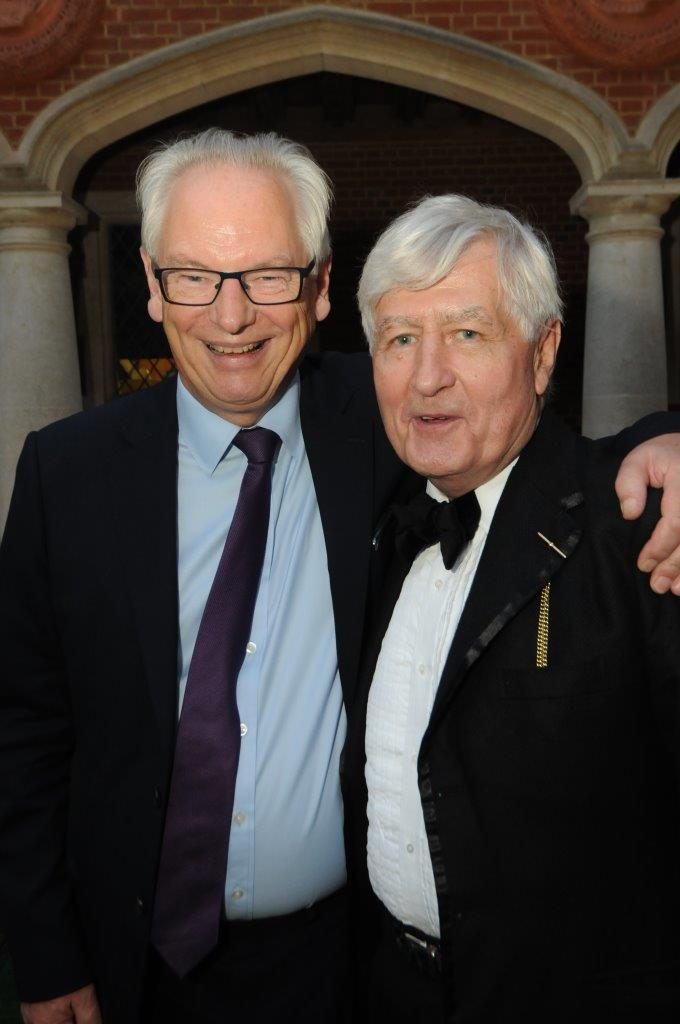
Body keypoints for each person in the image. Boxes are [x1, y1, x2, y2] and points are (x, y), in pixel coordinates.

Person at [0, 132, 678, 1024]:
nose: (231, 316)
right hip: (129, 960)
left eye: (268, 275)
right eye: (195, 275)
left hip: (335, 968)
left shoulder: (379, 417)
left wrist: (664, 440)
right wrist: (46, 953)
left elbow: (526, 436)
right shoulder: (66, 474)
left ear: (319, 287)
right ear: (153, 284)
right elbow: (23, 729)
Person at [342, 193, 680, 1024]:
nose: (428, 376)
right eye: (400, 339)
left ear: (543, 352)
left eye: (467, 333)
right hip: (391, 992)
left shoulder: (641, 528)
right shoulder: (377, 532)